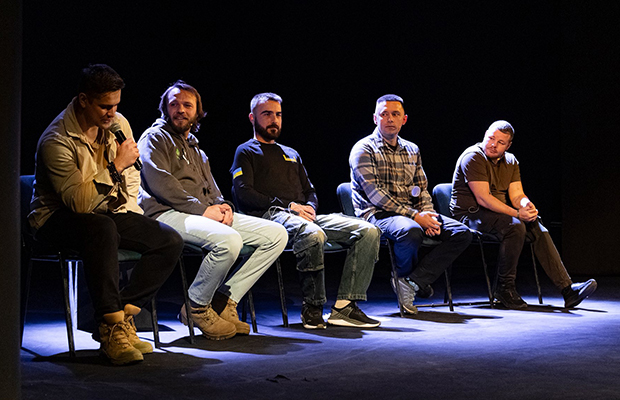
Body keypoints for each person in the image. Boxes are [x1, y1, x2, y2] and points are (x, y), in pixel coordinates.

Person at [29, 64, 184, 365]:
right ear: (83, 100)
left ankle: (121, 316)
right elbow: (78, 204)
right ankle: (110, 327)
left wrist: (132, 213)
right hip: (54, 218)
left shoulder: (118, 123)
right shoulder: (56, 140)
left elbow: (132, 175)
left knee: (169, 240)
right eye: (104, 106)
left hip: (104, 213)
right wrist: (116, 166)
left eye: (116, 105)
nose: (112, 113)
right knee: (101, 229)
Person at [138, 81, 288, 340]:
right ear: (165, 108)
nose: (181, 110)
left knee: (276, 235)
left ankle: (224, 300)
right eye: (174, 104)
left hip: (199, 213)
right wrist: (202, 211)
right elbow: (162, 185)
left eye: (187, 105)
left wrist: (225, 207)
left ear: (197, 112)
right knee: (229, 241)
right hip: (165, 213)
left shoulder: (195, 147)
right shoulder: (154, 138)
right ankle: (196, 306)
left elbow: (213, 189)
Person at [231, 93, 382, 329]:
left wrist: (310, 207)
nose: (274, 119)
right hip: (271, 217)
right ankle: (312, 307)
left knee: (369, 231)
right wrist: (288, 206)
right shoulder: (246, 152)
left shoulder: (291, 153)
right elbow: (244, 194)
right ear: (252, 118)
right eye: (267, 114)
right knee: (313, 234)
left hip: (304, 216)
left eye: (278, 114)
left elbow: (310, 190)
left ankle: (345, 307)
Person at [450, 120, 597, 309]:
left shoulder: (511, 161)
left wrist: (526, 206)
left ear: (508, 145)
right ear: (485, 134)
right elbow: (484, 199)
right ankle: (504, 288)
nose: (493, 144)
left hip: (498, 214)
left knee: (535, 224)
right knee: (515, 226)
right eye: (491, 138)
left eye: (500, 142)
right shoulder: (473, 157)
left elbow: (517, 195)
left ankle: (568, 290)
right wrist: (518, 214)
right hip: (470, 215)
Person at [349, 94, 472, 314]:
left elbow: (421, 188)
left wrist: (428, 214)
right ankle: (410, 282)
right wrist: (416, 216)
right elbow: (375, 195)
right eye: (384, 114)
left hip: (412, 213)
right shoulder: (364, 149)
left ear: (404, 119)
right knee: (411, 231)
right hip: (378, 214)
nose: (390, 119)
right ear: (375, 118)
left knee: (462, 233)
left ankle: (412, 281)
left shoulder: (412, 149)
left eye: (395, 114)